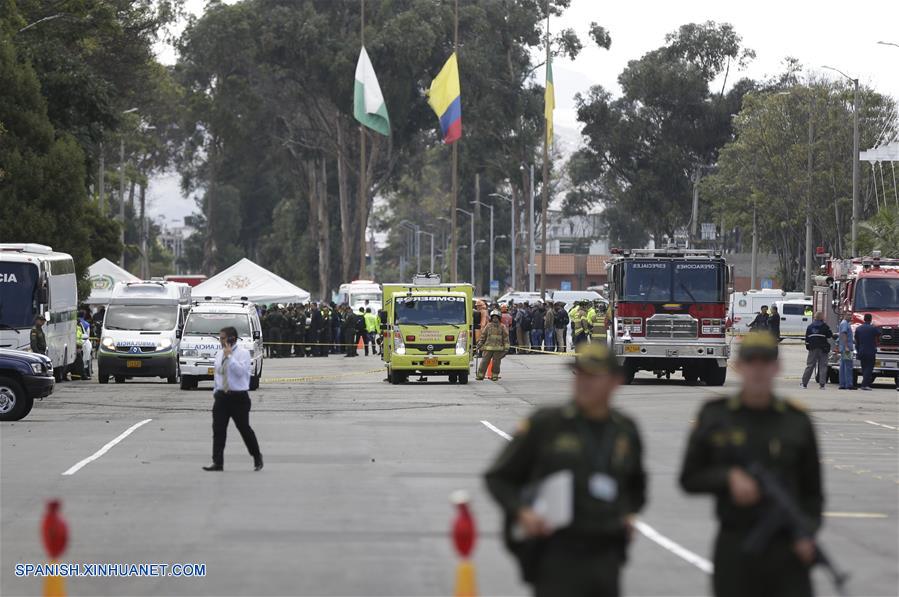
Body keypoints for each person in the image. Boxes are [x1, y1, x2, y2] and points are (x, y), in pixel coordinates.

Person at [485, 342, 646, 597]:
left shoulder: (624, 430)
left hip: (606, 553)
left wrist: (628, 513)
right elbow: (499, 478)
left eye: (594, 376)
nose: (584, 383)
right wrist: (522, 512)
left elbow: (636, 486)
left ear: (615, 381)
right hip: (557, 553)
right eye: (580, 375)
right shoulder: (548, 424)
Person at [679, 332, 823, 597]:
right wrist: (727, 477)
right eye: (751, 362)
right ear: (739, 366)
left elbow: (813, 492)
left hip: (786, 547)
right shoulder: (716, 416)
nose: (758, 370)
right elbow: (689, 477)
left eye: (765, 362)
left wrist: (807, 533)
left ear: (776, 367)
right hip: (736, 544)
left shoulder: (796, 421)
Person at [203, 326, 263, 472]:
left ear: (232, 339)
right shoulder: (219, 354)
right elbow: (218, 374)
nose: (220, 340)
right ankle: (217, 462)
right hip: (222, 397)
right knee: (218, 429)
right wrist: (216, 391)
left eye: (223, 338)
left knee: (244, 428)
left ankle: (256, 456)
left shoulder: (243, 354)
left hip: (238, 397)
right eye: (220, 338)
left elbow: (241, 372)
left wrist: (230, 357)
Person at [801, 312, 832, 389]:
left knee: (810, 366)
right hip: (823, 349)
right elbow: (829, 335)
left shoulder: (810, 327)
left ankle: (804, 383)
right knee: (823, 366)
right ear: (822, 318)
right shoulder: (825, 326)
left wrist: (808, 347)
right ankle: (822, 385)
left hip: (813, 348)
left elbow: (807, 339)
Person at [476, 310, 510, 381]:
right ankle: (480, 375)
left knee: (496, 363)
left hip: (498, 349)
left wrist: (506, 347)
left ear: (499, 318)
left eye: (496, 317)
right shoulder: (488, 326)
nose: (495, 319)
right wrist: (479, 344)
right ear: (491, 318)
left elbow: (506, 338)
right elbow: (483, 336)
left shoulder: (502, 327)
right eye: (493, 317)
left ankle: (495, 375)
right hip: (488, 348)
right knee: (484, 362)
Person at [854, 313, 881, 391]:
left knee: (864, 367)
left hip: (861, 350)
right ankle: (864, 385)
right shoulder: (873, 328)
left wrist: (858, 349)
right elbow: (879, 334)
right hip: (870, 351)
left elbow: (856, 340)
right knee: (869, 368)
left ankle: (865, 383)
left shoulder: (858, 329)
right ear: (871, 319)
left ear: (864, 319)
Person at [837, 312, 856, 390]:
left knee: (843, 366)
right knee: (848, 366)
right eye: (848, 315)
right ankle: (849, 384)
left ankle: (842, 384)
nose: (850, 316)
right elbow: (844, 334)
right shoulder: (845, 324)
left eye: (851, 315)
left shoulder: (843, 323)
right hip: (846, 349)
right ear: (844, 315)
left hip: (843, 348)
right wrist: (846, 346)